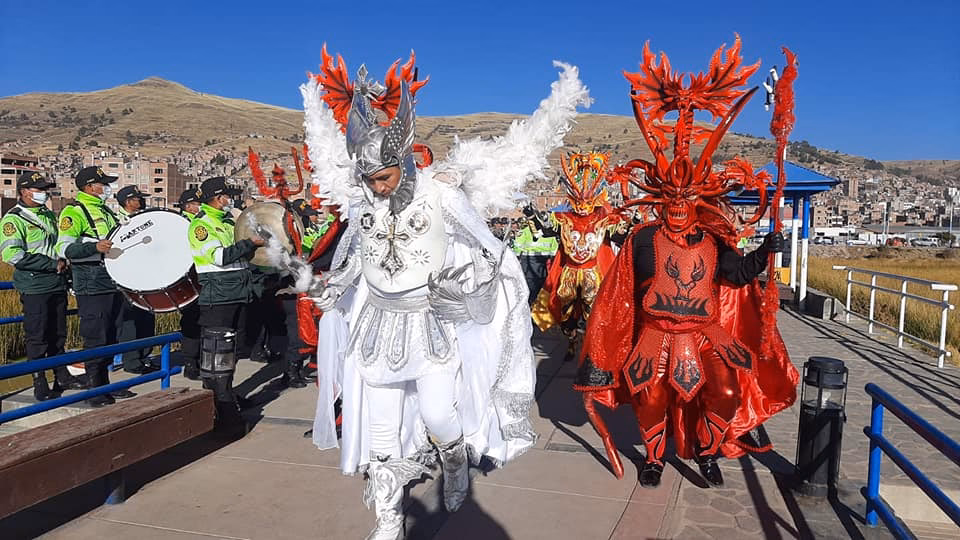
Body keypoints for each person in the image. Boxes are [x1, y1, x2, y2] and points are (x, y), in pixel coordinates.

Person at [302, 50, 588, 538]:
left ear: (403, 164)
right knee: (380, 427)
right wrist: (334, 288)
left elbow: (493, 251)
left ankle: (454, 463)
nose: (377, 187)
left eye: (384, 177)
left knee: (438, 413)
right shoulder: (364, 200)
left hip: (429, 323)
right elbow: (355, 257)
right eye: (369, 179)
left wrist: (470, 293)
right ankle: (389, 519)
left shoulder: (442, 195)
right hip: (376, 328)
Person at [574, 38, 798, 488]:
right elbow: (619, 297)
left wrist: (766, 251)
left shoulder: (714, 240)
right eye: (671, 196)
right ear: (661, 198)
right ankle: (654, 459)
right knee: (650, 398)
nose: (678, 203)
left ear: (699, 201)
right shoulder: (643, 239)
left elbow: (735, 276)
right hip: (656, 332)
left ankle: (708, 452)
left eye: (687, 197)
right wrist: (607, 349)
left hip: (705, 332)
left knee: (729, 392)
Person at [528, 152, 630, 359]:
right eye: (579, 202)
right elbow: (546, 232)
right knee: (565, 311)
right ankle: (572, 340)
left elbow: (620, 237)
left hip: (594, 272)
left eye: (587, 202)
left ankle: (594, 346)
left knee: (595, 312)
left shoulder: (605, 217)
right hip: (569, 272)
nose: (583, 207)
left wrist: (630, 223)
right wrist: (533, 218)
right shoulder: (564, 218)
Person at [56, 166, 135, 407]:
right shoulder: (74, 211)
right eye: (103, 184)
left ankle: (105, 382)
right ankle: (95, 388)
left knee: (110, 336)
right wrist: (93, 248)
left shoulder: (106, 212)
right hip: (91, 284)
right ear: (90, 187)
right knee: (96, 337)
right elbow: (64, 248)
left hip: (111, 281)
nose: (106, 188)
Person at [1, 171, 83, 400]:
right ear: (24, 192)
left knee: (58, 333)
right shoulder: (13, 219)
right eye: (38, 189)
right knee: (37, 336)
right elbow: (12, 254)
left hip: (56, 283)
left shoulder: (46, 213)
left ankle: (62, 375)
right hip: (35, 284)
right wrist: (50, 264)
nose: (43, 193)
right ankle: (39, 381)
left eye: (45, 189)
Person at [188, 177, 264, 423]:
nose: (229, 199)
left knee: (230, 350)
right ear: (218, 198)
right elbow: (219, 257)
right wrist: (249, 244)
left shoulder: (229, 220)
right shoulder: (201, 225)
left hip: (237, 293)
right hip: (218, 297)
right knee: (216, 350)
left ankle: (226, 393)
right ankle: (217, 400)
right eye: (226, 196)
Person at [114, 185, 157, 374]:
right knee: (130, 322)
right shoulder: (117, 221)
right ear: (128, 201)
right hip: (127, 277)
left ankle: (144, 356)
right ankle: (131, 361)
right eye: (137, 199)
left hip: (146, 275)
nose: (141, 202)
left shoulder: (144, 218)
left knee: (147, 317)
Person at [176, 188, 203, 380]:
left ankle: (198, 360)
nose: (199, 207)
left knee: (202, 322)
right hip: (187, 279)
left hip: (199, 277)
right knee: (192, 322)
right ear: (188, 206)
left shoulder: (198, 222)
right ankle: (190, 363)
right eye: (196, 204)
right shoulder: (181, 223)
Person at [510, 208, 558, 306]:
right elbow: (554, 248)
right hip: (544, 263)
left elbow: (517, 247)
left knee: (530, 287)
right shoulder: (547, 233)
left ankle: (530, 306)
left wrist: (517, 258)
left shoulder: (525, 231)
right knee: (542, 287)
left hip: (529, 262)